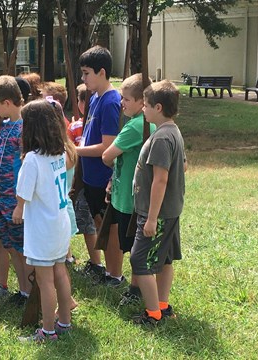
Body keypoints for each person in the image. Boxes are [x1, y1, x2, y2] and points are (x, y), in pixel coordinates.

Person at [14, 100, 73, 343]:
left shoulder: (32, 159)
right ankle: (65, 322)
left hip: (43, 228)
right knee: (60, 272)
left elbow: (23, 193)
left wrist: (18, 209)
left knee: (45, 279)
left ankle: (47, 331)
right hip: (59, 224)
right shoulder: (59, 152)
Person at [130, 80, 186, 325]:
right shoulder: (172, 130)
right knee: (164, 259)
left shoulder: (162, 138)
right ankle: (162, 305)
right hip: (169, 210)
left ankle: (153, 314)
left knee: (139, 260)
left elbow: (160, 180)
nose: (143, 108)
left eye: (147, 105)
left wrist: (151, 218)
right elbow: (183, 165)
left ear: (159, 107)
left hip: (158, 213)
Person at [102, 74, 156, 298]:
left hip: (128, 196)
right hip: (127, 191)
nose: (121, 103)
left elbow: (107, 156)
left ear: (141, 102)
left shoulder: (135, 126)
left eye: (126, 99)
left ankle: (136, 288)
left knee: (133, 243)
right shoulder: (146, 123)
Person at [76, 46, 123, 285]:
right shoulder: (95, 97)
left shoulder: (111, 101)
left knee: (110, 230)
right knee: (98, 224)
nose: (83, 79)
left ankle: (115, 275)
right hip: (91, 176)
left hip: (104, 176)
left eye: (86, 73)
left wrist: (74, 151)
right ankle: (106, 270)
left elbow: (107, 147)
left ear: (101, 72)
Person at [0, 75, 30, 302]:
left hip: (15, 200)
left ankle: (30, 292)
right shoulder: (5, 127)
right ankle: (22, 290)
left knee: (22, 250)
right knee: (12, 249)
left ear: (8, 103)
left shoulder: (24, 129)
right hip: (1, 198)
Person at [67, 84, 97, 267]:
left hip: (80, 179)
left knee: (88, 224)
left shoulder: (76, 126)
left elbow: (69, 150)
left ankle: (96, 263)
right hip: (92, 177)